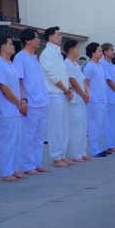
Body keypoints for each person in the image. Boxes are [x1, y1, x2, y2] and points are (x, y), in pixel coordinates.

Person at [0, 36, 26, 181]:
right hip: (5, 108)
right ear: (3, 47)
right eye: (10, 44)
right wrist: (18, 102)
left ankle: (14, 169)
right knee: (7, 141)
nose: (13, 46)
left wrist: (22, 101)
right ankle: (6, 172)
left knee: (17, 140)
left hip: (15, 108)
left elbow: (16, 85)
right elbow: (3, 87)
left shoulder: (10, 64)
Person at [15, 29, 49, 174]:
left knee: (39, 136)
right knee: (28, 135)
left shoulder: (34, 57)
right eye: (35, 38)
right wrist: (23, 99)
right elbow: (19, 81)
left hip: (41, 101)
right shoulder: (20, 57)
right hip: (30, 102)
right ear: (28, 40)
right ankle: (28, 166)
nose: (38, 40)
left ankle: (37, 163)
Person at [39, 27, 74, 167]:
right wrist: (65, 89)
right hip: (54, 94)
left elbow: (64, 74)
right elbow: (51, 75)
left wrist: (69, 89)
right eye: (58, 35)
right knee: (55, 127)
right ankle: (56, 156)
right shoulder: (46, 53)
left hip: (63, 93)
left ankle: (62, 155)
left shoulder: (58, 54)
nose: (60, 37)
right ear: (50, 37)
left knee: (64, 126)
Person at [63, 40, 90, 162]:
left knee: (83, 127)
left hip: (82, 100)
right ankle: (75, 154)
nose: (78, 50)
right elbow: (72, 81)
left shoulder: (76, 64)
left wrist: (87, 92)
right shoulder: (66, 63)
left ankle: (82, 152)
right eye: (77, 48)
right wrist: (83, 94)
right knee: (75, 128)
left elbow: (83, 80)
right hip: (74, 100)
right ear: (71, 49)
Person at [83, 43, 109, 157]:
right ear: (93, 53)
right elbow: (85, 82)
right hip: (94, 100)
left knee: (102, 125)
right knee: (95, 125)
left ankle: (101, 147)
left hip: (103, 99)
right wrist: (88, 95)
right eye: (99, 51)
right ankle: (95, 149)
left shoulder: (100, 65)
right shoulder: (89, 66)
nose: (101, 53)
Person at [100, 43, 115, 153]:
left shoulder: (110, 64)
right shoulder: (103, 64)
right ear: (105, 52)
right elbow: (109, 81)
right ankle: (110, 145)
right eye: (111, 50)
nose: (113, 52)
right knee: (111, 122)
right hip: (110, 97)